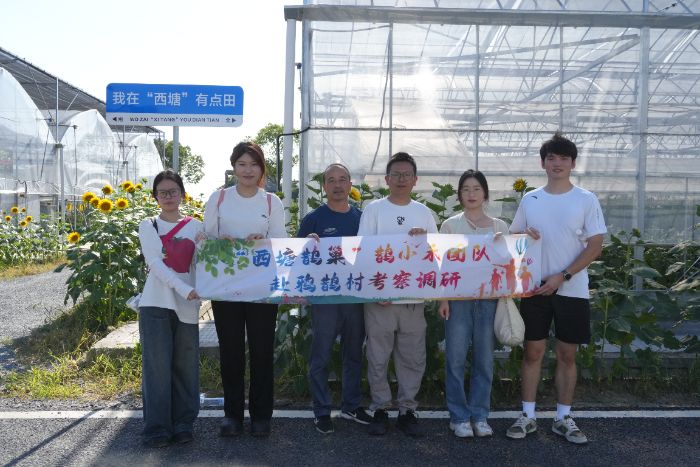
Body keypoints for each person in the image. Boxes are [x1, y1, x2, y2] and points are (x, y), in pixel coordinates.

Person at [506, 132, 606, 444]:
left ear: (573, 164)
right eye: (551, 158)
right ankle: (528, 415)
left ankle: (563, 418)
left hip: (571, 289)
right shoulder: (531, 199)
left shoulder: (586, 199)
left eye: (564, 158)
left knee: (567, 354)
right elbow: (513, 239)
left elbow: (596, 245)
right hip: (535, 289)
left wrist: (562, 276)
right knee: (533, 351)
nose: (557, 163)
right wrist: (524, 235)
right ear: (543, 163)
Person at [203, 141, 287, 438]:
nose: (248, 170)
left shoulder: (271, 202)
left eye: (253, 164)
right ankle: (232, 415)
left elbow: (280, 242)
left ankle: (261, 415)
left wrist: (262, 242)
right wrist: (220, 241)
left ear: (262, 169)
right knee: (231, 350)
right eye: (242, 164)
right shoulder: (219, 198)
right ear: (233, 167)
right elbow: (206, 238)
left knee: (262, 350)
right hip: (226, 286)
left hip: (261, 284)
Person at [357, 152, 438, 438]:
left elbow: (435, 254)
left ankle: (407, 409)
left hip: (413, 299)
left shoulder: (424, 213)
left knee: (412, 356)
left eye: (407, 175)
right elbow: (364, 252)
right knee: (378, 355)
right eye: (396, 174)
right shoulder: (374, 210)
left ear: (415, 180)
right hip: (381, 298)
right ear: (387, 179)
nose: (401, 179)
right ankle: (380, 407)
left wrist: (423, 241)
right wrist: (375, 289)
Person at [297, 163, 372, 434]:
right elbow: (297, 258)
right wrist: (307, 244)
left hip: (354, 297)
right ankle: (321, 410)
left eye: (342, 179)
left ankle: (351, 406)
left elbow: (374, 256)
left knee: (354, 353)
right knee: (321, 354)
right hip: (324, 300)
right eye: (331, 180)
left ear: (350, 184)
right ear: (324, 186)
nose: (337, 185)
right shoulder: (313, 219)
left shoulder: (363, 218)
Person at [438, 170, 509, 439]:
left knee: (484, 360)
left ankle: (480, 415)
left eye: (476, 189)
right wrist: (443, 299)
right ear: (459, 195)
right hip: (458, 301)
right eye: (466, 189)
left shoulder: (499, 227)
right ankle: (458, 417)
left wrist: (528, 239)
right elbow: (441, 266)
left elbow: (509, 262)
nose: (471, 194)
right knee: (455, 359)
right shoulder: (450, 226)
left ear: (485, 194)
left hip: (488, 301)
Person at [138, 169, 202, 448]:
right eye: (162, 192)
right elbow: (155, 263)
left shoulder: (196, 227)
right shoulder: (148, 225)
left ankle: (183, 424)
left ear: (182, 194)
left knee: (186, 367)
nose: (168, 197)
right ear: (155, 197)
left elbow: (204, 262)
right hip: (156, 303)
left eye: (173, 191)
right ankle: (157, 428)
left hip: (188, 305)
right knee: (157, 368)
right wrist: (186, 289)